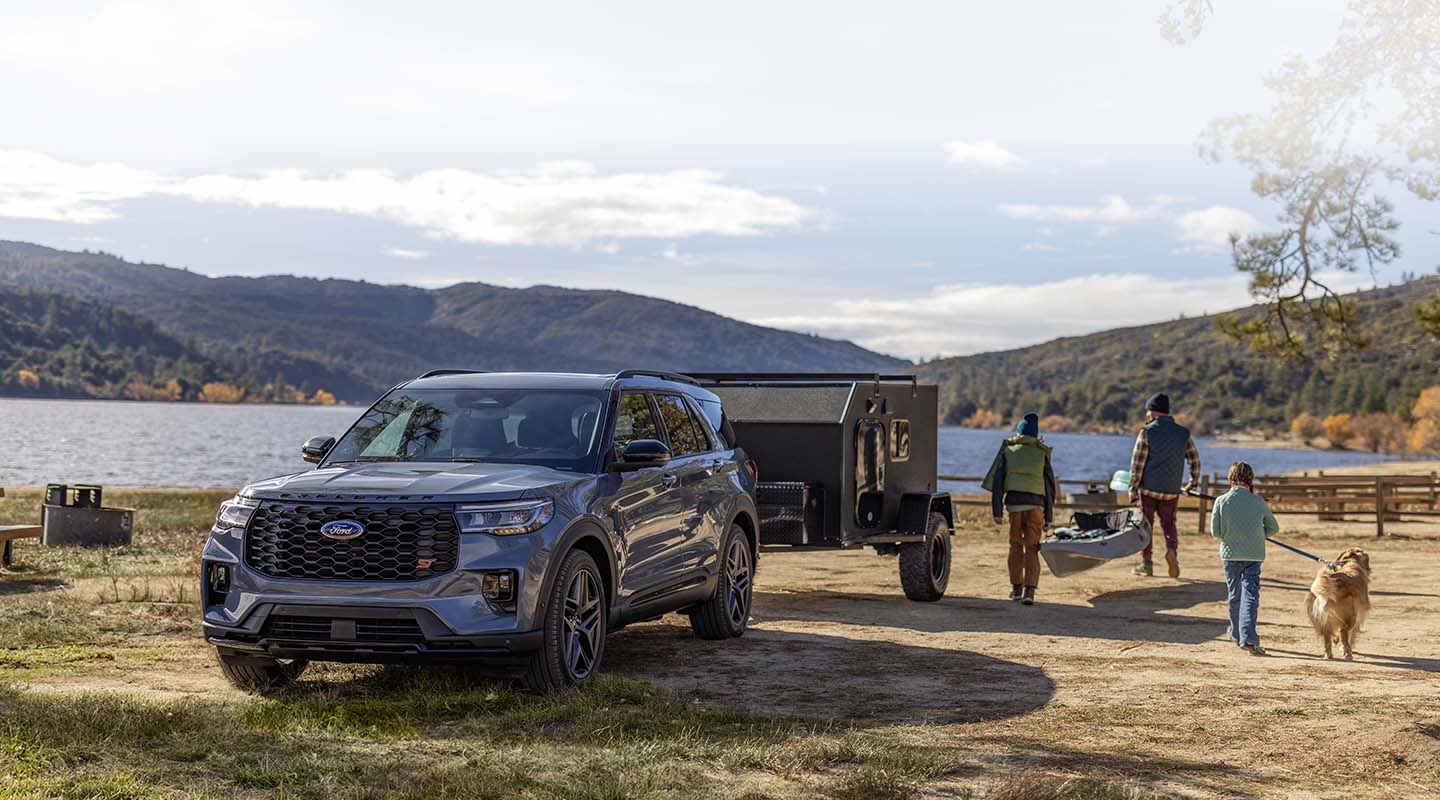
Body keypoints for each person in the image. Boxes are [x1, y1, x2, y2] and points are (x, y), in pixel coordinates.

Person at [982, 412, 1058, 606]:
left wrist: (997, 511)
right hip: (1036, 507)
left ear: (1018, 432)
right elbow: (1050, 488)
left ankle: (1016, 589)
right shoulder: (1041, 454)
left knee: (1015, 545)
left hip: (1014, 506)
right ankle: (1029, 592)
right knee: (1032, 548)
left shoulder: (1008, 451)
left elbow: (998, 483)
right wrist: (1049, 516)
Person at [1128, 392, 1201, 578]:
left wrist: (1132, 488)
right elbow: (1194, 460)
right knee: (1169, 523)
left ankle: (1147, 563)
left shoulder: (1147, 431)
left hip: (1148, 489)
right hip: (1171, 491)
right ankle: (1172, 551)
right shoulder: (1183, 433)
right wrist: (1192, 482)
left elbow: (1137, 464)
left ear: (1152, 412)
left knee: (1146, 525)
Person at [1210, 461, 1277, 656]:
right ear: (1250, 479)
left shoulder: (1221, 501)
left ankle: (1236, 633)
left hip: (1230, 555)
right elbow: (1274, 528)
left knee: (1234, 594)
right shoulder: (1258, 502)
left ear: (1230, 479)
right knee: (1250, 595)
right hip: (1253, 555)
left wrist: (1231, 536)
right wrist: (1258, 534)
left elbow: (1216, 532)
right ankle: (1247, 637)